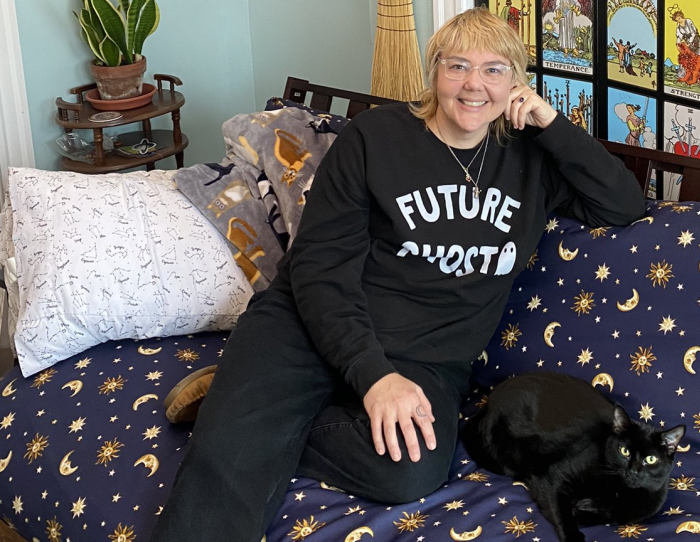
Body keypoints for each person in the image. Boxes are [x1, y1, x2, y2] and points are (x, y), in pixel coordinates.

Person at [149, 8, 645, 541]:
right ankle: (243, 416)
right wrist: (373, 378)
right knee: (226, 466)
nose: (474, 84)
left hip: (424, 358)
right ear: (435, 72)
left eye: (494, 70)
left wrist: (553, 125)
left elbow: (624, 204)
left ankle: (239, 407)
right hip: (310, 327)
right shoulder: (375, 137)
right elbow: (318, 267)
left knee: (411, 469)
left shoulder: (533, 160)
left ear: (516, 84)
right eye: (458, 66)